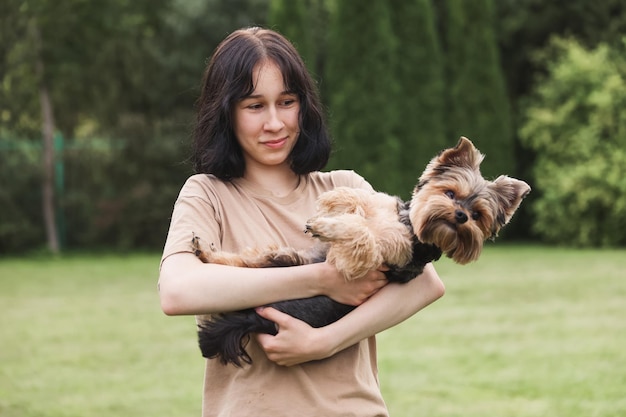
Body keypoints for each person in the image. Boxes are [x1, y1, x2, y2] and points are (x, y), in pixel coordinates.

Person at [158, 26, 445, 417]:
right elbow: (177, 292)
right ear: (225, 112)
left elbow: (424, 281)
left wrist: (323, 341)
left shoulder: (347, 188)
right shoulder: (207, 194)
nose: (275, 123)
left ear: (304, 106)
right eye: (254, 106)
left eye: (287, 101)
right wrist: (321, 279)